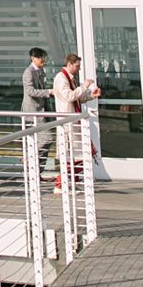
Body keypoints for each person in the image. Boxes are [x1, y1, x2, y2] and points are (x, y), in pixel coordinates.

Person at [51, 53, 100, 193]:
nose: (79, 69)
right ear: (69, 64)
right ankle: (60, 184)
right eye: (77, 66)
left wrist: (91, 95)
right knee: (74, 155)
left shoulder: (69, 78)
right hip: (68, 122)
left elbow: (76, 98)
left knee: (78, 154)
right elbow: (69, 96)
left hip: (73, 121)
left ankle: (70, 182)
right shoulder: (61, 78)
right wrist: (84, 86)